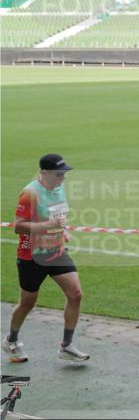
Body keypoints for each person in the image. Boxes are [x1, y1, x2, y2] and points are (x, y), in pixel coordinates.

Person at [5, 153, 90, 363]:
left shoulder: (59, 188)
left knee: (76, 294)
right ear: (44, 173)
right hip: (32, 256)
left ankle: (67, 346)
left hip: (56, 252)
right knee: (27, 303)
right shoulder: (30, 193)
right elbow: (18, 227)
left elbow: (57, 216)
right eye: (58, 174)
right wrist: (48, 227)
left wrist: (63, 232)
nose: (62, 178)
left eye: (64, 174)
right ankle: (11, 340)